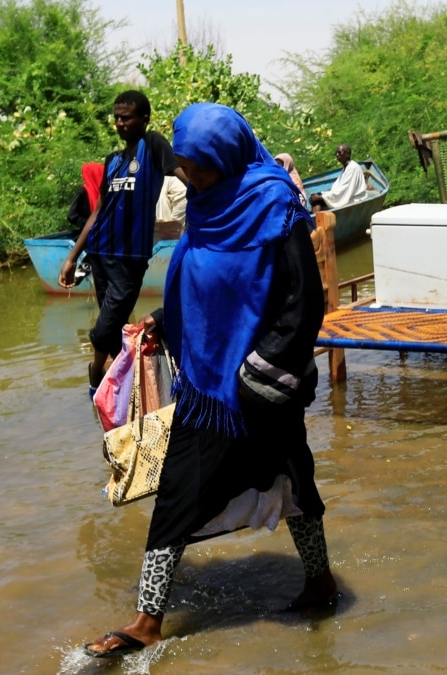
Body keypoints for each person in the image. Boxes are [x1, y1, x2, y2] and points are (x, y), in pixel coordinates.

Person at [83, 103, 337, 658]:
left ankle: (318, 584)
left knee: (293, 483)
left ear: (225, 157)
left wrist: (260, 371)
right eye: (182, 165)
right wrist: (161, 320)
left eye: (197, 167)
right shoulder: (206, 202)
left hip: (255, 386)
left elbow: (302, 302)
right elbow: (197, 276)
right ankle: (149, 618)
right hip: (206, 383)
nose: (185, 176)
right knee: (179, 489)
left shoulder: (272, 203)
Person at [57, 90, 189, 393]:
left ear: (144, 119)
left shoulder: (152, 145)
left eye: (126, 117)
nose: (119, 123)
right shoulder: (113, 160)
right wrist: (71, 257)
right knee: (113, 327)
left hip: (129, 259)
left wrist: (211, 196)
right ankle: (122, 394)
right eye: (116, 117)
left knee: (104, 328)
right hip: (100, 252)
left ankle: (95, 374)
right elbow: (97, 212)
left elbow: (183, 176)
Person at [307, 144, 366, 211]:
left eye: (340, 153)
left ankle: (315, 220)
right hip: (343, 196)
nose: (337, 155)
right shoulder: (346, 168)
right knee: (315, 197)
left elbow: (343, 191)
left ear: (347, 154)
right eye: (336, 153)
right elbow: (337, 188)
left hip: (353, 199)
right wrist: (321, 196)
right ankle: (317, 218)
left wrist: (321, 197)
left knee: (317, 200)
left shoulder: (352, 168)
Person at [65, 162, 104, 233]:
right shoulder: (84, 192)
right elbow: (72, 215)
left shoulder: (104, 192)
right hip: (89, 234)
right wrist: (88, 225)